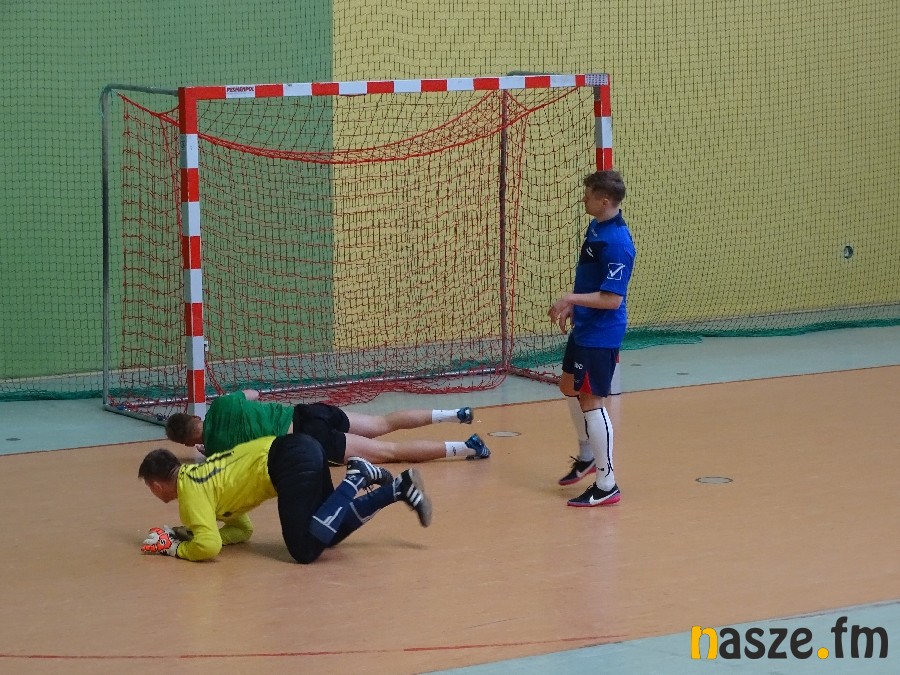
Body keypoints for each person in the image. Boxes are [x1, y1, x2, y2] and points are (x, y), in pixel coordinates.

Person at [138, 434, 432, 564]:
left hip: (288, 463)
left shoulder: (190, 494)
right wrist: (195, 532)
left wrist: (176, 549)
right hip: (299, 448)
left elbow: (209, 547)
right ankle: (398, 488)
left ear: (157, 485)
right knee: (324, 532)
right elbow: (242, 529)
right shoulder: (196, 476)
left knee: (304, 550)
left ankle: (357, 476)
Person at [548, 170, 635, 507]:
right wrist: (577, 305)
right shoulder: (596, 227)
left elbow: (612, 299)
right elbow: (591, 280)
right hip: (585, 327)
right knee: (568, 386)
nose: (583, 199)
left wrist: (570, 298)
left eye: (588, 195)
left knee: (591, 400)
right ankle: (587, 455)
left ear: (604, 201)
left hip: (601, 334)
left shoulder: (618, 244)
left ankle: (607, 483)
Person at [164, 390, 490, 464]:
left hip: (305, 439)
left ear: (188, 441)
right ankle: (455, 413)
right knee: (383, 422)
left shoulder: (217, 451)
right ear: (195, 418)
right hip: (309, 413)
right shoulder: (222, 404)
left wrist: (208, 449)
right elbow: (253, 394)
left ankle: (467, 447)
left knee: (390, 452)